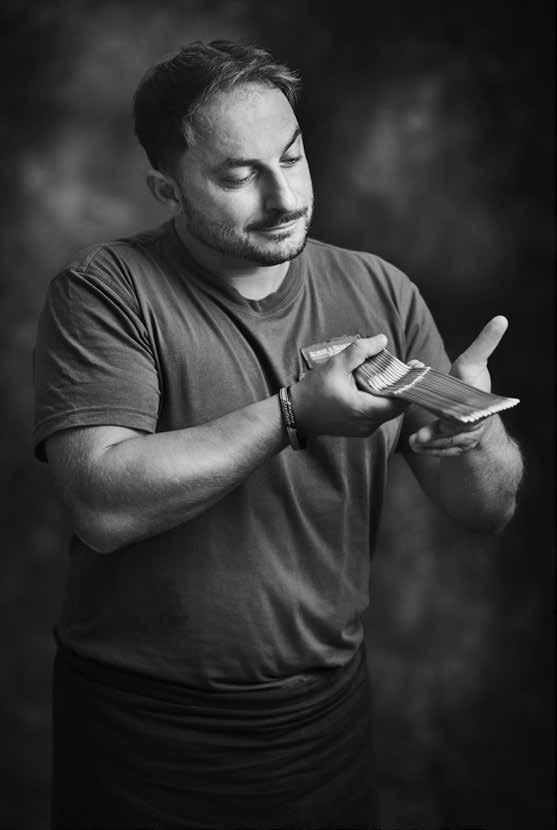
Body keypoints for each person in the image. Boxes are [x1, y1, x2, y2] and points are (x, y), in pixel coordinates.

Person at [33, 40, 523, 830]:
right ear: (167, 189)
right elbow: (102, 503)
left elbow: (487, 509)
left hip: (324, 721)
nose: (284, 196)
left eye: (291, 158)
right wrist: (292, 413)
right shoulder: (105, 290)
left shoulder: (380, 289)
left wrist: (475, 432)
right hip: (142, 730)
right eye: (238, 177)